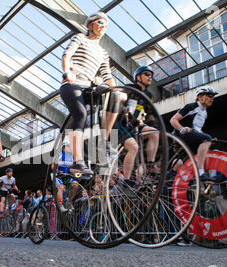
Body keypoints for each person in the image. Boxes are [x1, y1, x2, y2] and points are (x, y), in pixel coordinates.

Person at [60, 12, 125, 175]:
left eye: (106, 25)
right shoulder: (80, 38)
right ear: (90, 25)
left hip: (89, 88)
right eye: (100, 22)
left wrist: (117, 90)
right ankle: (78, 162)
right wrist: (67, 72)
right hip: (72, 84)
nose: (103, 26)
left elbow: (107, 76)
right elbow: (67, 55)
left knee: (114, 95)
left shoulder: (103, 53)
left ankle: (102, 141)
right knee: (80, 114)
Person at [114, 65, 161, 190]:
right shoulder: (130, 88)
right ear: (138, 77)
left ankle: (150, 165)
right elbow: (120, 101)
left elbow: (147, 112)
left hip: (134, 123)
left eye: (151, 74)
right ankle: (127, 181)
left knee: (154, 133)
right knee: (133, 147)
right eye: (146, 74)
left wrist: (154, 124)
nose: (150, 76)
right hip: (121, 122)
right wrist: (122, 98)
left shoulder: (147, 95)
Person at [170, 85, 218, 182]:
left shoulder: (204, 113)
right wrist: (181, 128)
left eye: (213, 96)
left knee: (206, 144)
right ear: (200, 96)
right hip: (180, 136)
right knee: (206, 139)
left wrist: (209, 139)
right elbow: (173, 120)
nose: (212, 98)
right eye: (209, 95)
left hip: (190, 136)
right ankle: (200, 173)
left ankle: (198, 179)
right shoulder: (191, 107)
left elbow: (198, 129)